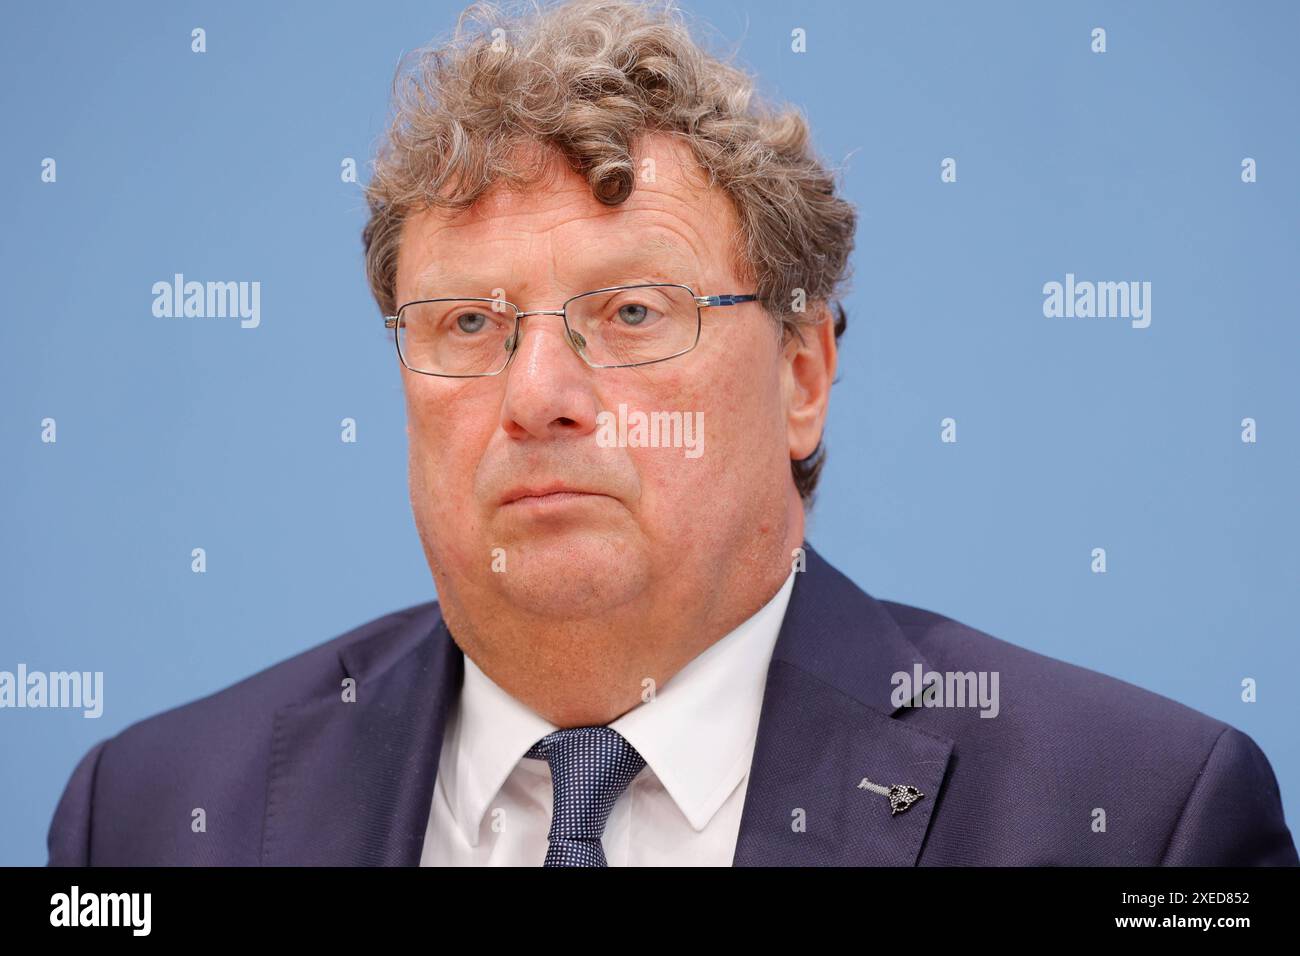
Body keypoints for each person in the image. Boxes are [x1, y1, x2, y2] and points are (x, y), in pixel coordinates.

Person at [47, 0, 1296, 866]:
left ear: (803, 371)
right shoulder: (154, 813)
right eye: (471, 321)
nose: (537, 391)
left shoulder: (1131, 816)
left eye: (633, 311)